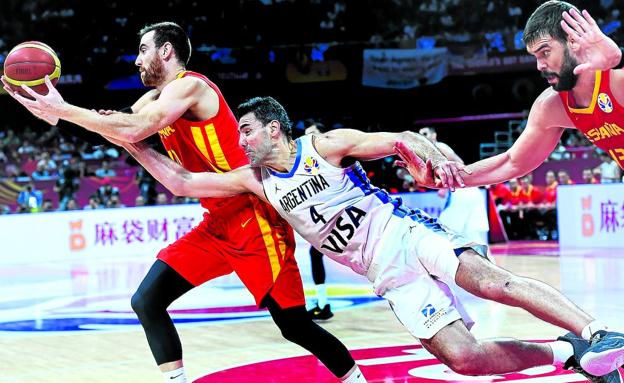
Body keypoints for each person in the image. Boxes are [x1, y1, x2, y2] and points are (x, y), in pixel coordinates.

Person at [110, 96, 620, 382]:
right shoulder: (255, 181)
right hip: (383, 273)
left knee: (490, 281)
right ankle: (565, 353)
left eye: (245, 130)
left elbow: (398, 139)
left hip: (403, 234)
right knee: (463, 359)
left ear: (272, 129)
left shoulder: (323, 146)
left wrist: (427, 153)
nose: (239, 141)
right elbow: (181, 182)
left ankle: (598, 332)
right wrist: (132, 141)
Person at [2, 23, 367, 383]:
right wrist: (54, 114)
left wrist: (65, 108)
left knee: (294, 325)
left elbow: (134, 130)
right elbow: (109, 130)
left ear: (165, 51)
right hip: (216, 223)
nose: (136, 60)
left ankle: (355, 379)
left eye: (143, 50)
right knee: (146, 300)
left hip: (254, 219)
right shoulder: (152, 100)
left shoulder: (192, 86)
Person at [394, 2, 624, 377]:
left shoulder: (615, 79)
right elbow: (513, 162)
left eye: (546, 51)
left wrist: (618, 59)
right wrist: (447, 176)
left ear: (575, 43)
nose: (539, 66)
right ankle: (604, 357)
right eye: (534, 56)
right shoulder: (554, 105)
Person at [419, 126, 488, 244]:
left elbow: (459, 163)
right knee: (470, 236)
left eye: (425, 134)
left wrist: (445, 186)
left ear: (434, 136)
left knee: (445, 230)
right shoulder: (430, 151)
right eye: (419, 134)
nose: (422, 137)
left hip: (464, 191)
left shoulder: (439, 147)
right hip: (466, 191)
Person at [303, 120, 333, 320]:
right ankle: (322, 303)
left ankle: (323, 303)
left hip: (342, 215)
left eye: (312, 133)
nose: (307, 138)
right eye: (305, 134)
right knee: (315, 254)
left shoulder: (331, 155)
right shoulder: (307, 159)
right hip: (325, 217)